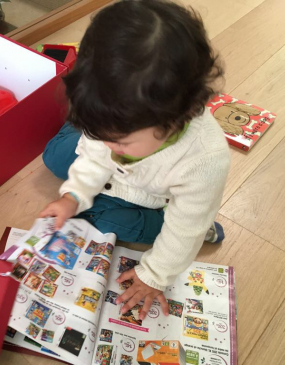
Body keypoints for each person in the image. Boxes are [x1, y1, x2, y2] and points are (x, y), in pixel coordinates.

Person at [40, 0, 230, 319]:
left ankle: (206, 227)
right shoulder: (119, 123)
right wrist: (73, 195)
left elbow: (183, 231)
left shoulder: (204, 160)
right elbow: (95, 150)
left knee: (112, 221)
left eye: (119, 140)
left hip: (152, 199)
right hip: (117, 170)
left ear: (178, 116)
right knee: (57, 156)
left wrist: (153, 275)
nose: (106, 143)